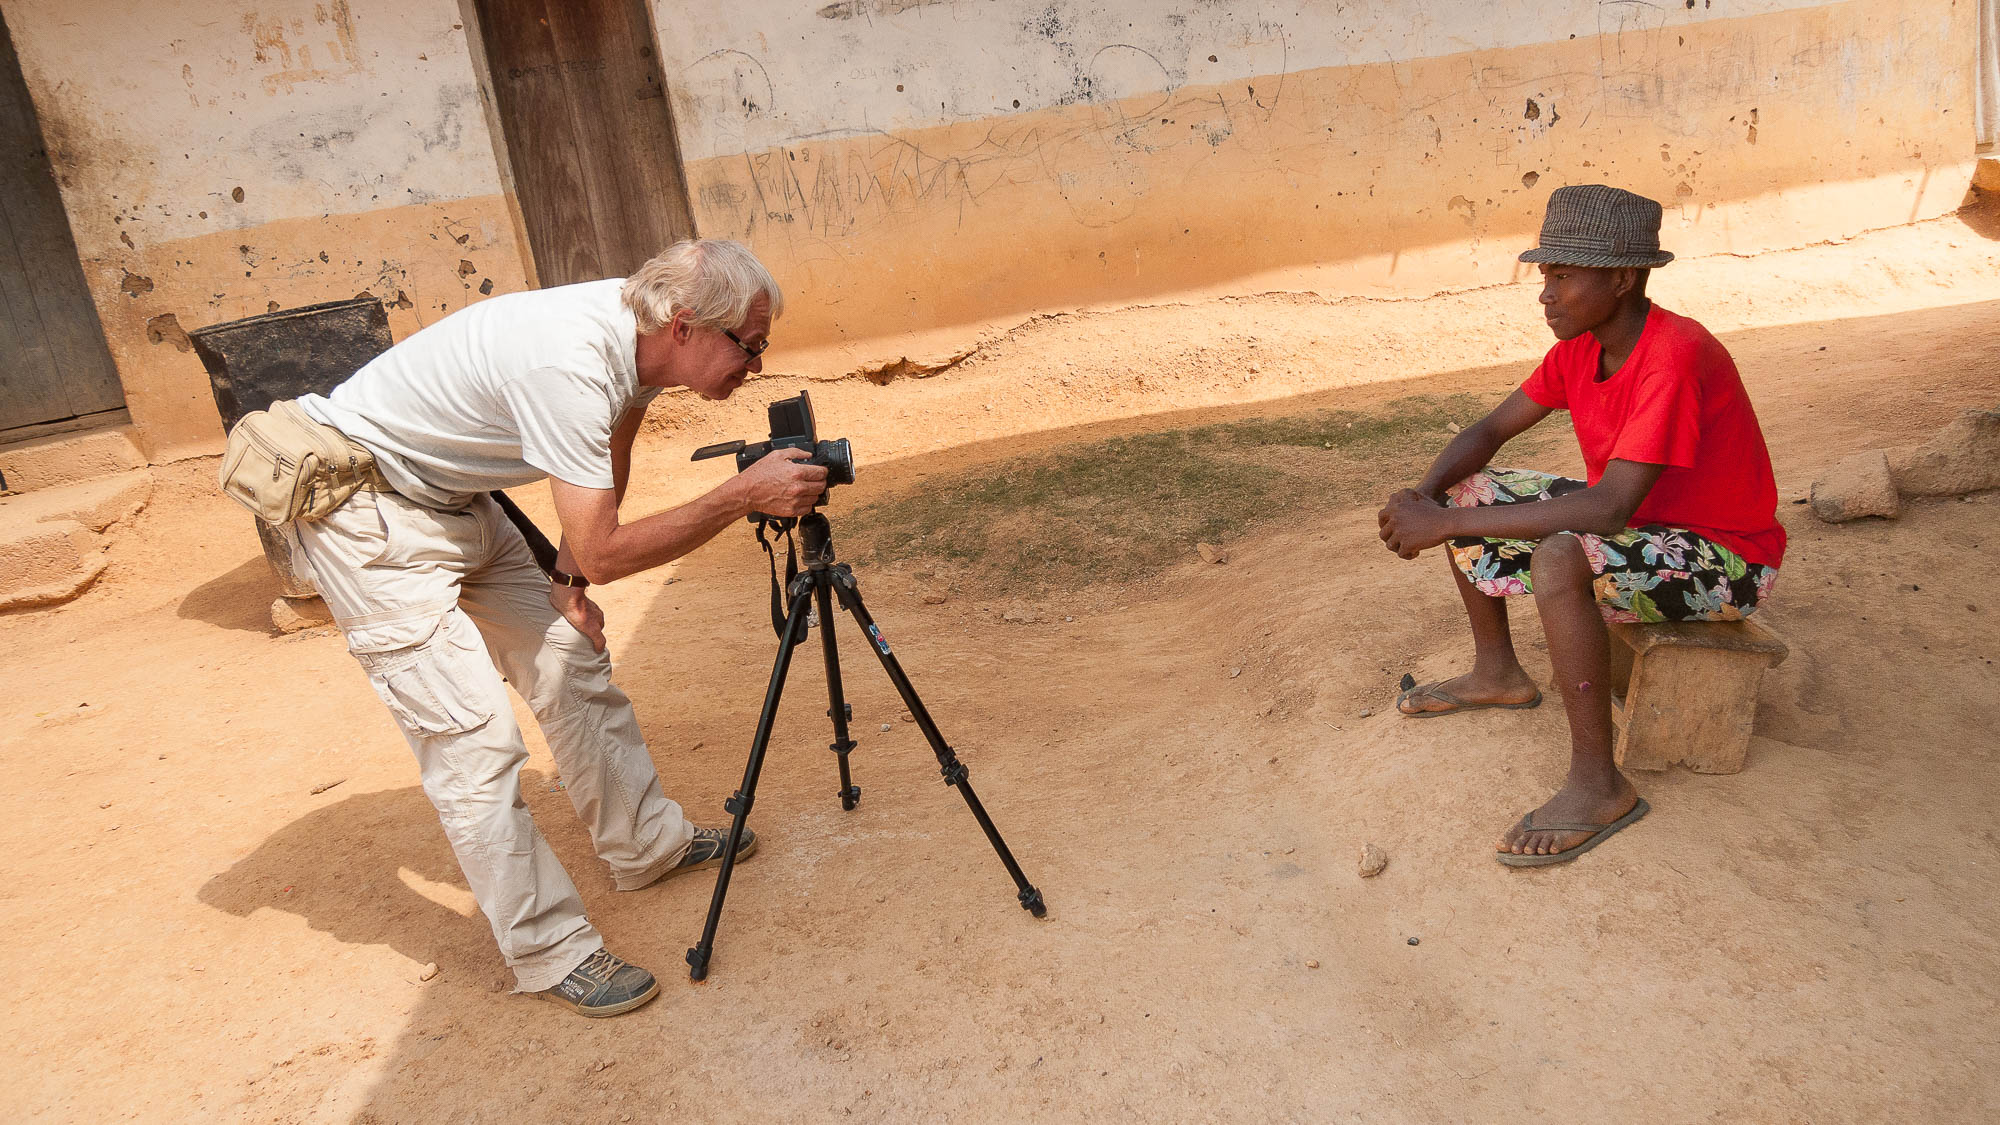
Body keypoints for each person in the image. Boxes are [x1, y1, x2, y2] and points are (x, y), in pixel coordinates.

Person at [285, 239, 827, 1015]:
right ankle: (549, 950)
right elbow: (607, 549)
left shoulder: (635, 335)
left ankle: (646, 843)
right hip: (366, 513)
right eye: (751, 346)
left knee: (568, 656)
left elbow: (613, 446)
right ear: (685, 327)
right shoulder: (566, 363)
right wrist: (739, 496)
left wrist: (565, 579)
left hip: (455, 497)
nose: (759, 366)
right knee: (470, 740)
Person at [1376, 185, 1786, 867]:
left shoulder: (1674, 355)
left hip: (1728, 559)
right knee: (1469, 492)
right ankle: (1498, 672)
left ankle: (1599, 785)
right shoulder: (1582, 348)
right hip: (1651, 528)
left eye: (1563, 276)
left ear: (1622, 278)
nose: (1546, 292)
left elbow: (1608, 509)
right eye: (1546, 275)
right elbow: (1489, 430)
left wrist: (1440, 526)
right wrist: (1424, 500)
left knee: (1562, 556)